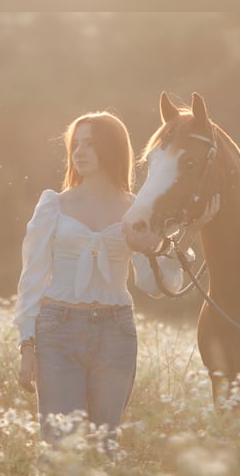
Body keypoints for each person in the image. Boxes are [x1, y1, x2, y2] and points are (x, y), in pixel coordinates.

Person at [13, 110, 218, 447]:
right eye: (76, 145)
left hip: (116, 332)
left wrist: (190, 232)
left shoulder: (135, 210)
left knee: (103, 445)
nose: (79, 152)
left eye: (91, 144)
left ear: (112, 149)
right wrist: (26, 345)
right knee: (60, 445)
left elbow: (157, 285)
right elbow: (31, 280)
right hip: (58, 329)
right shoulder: (53, 205)